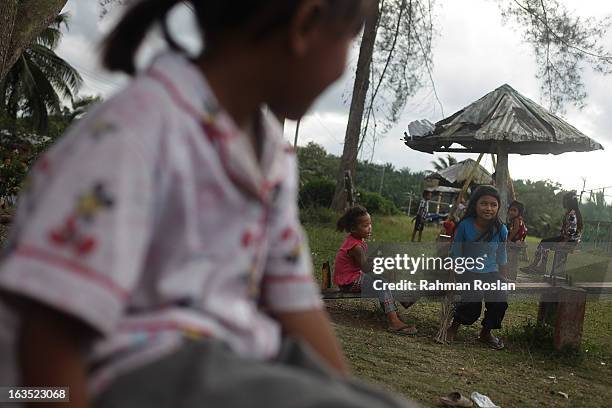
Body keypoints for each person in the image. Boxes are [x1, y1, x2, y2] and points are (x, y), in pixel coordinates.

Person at [0, 1, 421, 407]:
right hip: (137, 372)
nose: (346, 61)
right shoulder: (134, 137)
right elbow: (48, 337)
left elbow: (297, 305)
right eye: (349, 37)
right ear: (306, 24)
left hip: (237, 359)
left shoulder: (271, 156)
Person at [335, 206, 417, 335]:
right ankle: (394, 321)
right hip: (349, 282)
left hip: (355, 277)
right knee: (381, 283)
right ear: (353, 229)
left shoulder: (357, 241)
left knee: (383, 277)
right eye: (365, 225)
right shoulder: (355, 246)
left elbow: (365, 263)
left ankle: (403, 298)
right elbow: (366, 268)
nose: (370, 228)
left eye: (370, 224)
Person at [445, 186, 509, 350]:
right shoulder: (464, 226)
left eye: (493, 205)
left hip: (490, 271)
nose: (489, 208)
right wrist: (455, 275)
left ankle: (486, 332)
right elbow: (456, 253)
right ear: (475, 205)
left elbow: (501, 256)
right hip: (466, 270)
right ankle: (454, 326)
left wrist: (503, 279)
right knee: (473, 295)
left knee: (500, 296)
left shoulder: (501, 229)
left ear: (498, 207)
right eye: (484, 203)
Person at [521, 191, 582, 275]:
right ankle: (539, 266)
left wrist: (564, 242)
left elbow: (572, 230)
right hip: (568, 238)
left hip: (569, 240)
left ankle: (539, 266)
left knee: (544, 242)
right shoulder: (572, 212)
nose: (563, 202)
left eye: (564, 200)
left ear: (568, 201)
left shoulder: (572, 214)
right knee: (545, 242)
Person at [506, 200, 527, 281]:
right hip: (518, 241)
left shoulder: (516, 219)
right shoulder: (518, 219)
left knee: (510, 260)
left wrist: (509, 239)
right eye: (511, 210)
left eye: (514, 210)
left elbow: (515, 230)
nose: (511, 212)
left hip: (515, 241)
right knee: (513, 260)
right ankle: (512, 277)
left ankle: (510, 277)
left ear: (519, 212)